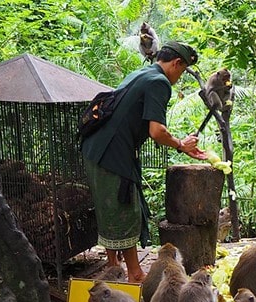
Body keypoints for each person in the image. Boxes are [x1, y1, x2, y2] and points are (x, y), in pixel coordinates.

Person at [81, 41, 208, 283]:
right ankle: (135, 274)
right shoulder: (159, 82)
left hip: (95, 148)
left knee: (110, 208)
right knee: (125, 208)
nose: (179, 78)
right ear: (177, 63)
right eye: (181, 72)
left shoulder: (141, 73)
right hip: (112, 152)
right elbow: (157, 131)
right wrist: (181, 144)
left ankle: (113, 267)